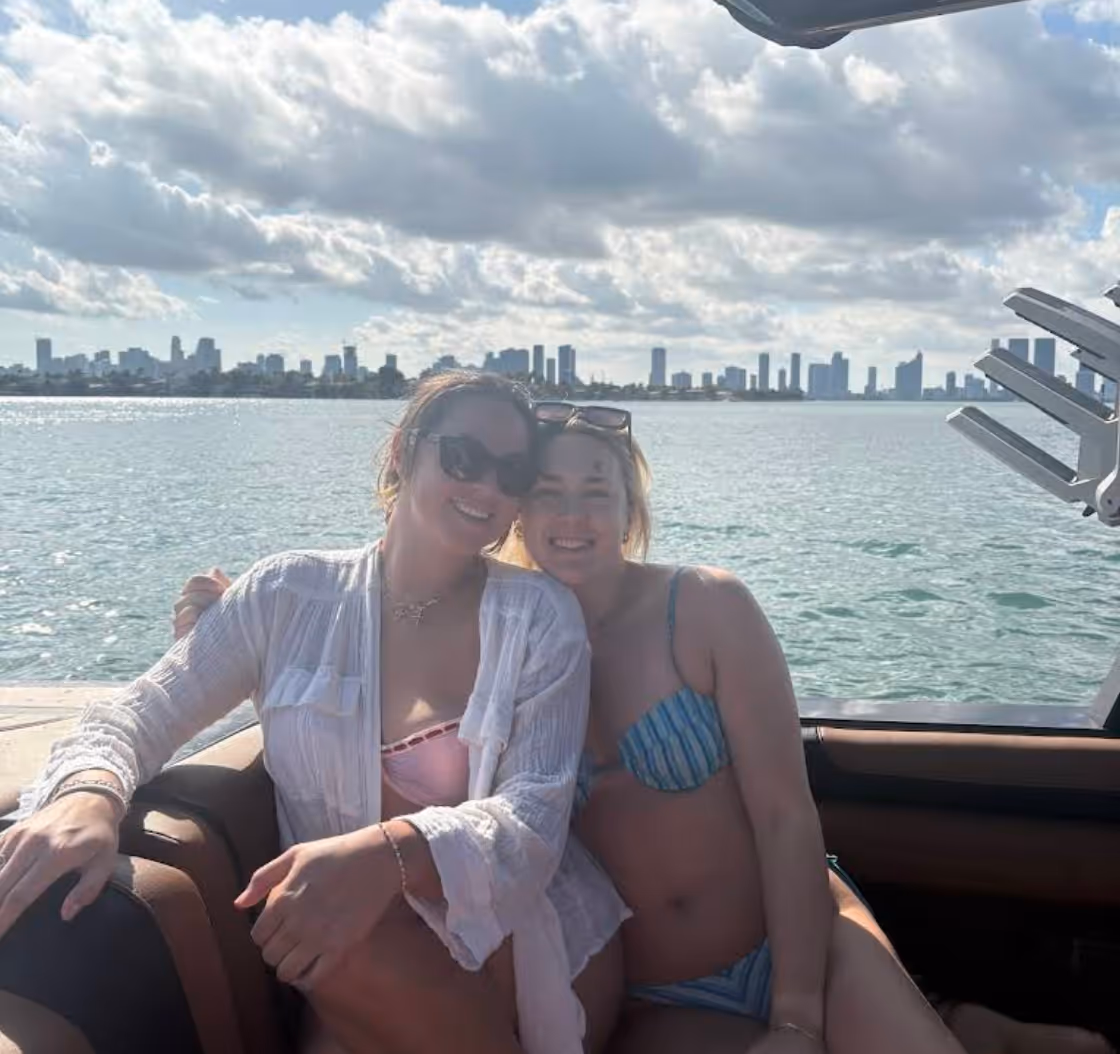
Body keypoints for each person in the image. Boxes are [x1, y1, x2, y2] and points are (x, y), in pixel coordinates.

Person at [173, 404, 1113, 1054]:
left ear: (632, 509)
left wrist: (795, 1019)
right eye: (547, 491)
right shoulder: (500, 639)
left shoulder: (703, 609)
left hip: (797, 945)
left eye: (599, 491)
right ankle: (965, 1023)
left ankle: (960, 1028)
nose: (572, 514)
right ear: (512, 510)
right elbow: (377, 656)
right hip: (654, 993)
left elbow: (787, 816)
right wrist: (243, 629)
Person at [0, 373, 629, 1054]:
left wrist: (385, 855)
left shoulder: (540, 616)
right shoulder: (285, 594)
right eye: (464, 458)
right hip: (339, 951)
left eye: (513, 473)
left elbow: (534, 822)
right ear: (401, 451)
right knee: (330, 939)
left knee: (333, 937)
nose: (487, 488)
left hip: (524, 946)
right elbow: (139, 713)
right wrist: (89, 793)